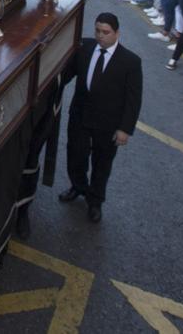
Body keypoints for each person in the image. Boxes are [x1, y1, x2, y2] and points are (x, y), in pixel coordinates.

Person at [58, 12, 142, 223]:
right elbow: (66, 75)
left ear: (116, 33)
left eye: (106, 32)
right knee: (76, 156)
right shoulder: (84, 48)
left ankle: (95, 201)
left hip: (107, 123)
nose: (100, 36)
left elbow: (133, 100)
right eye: (97, 31)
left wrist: (124, 129)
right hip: (80, 116)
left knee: (101, 163)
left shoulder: (130, 62)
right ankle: (78, 186)